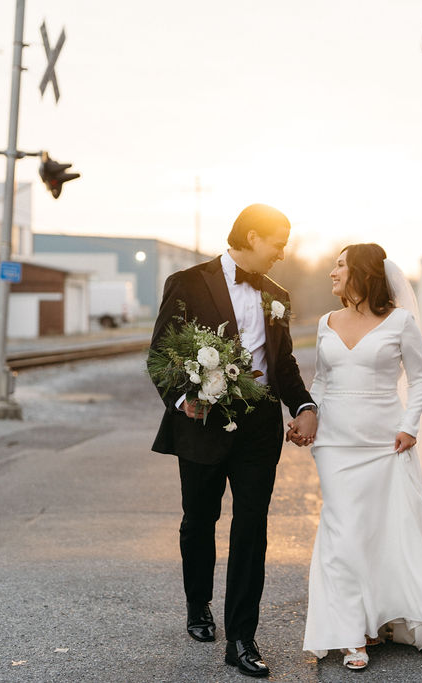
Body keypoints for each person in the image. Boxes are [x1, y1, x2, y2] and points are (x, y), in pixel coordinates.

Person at [148, 203, 318, 678]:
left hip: (259, 429)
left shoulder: (278, 295)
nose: (282, 253)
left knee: (251, 529)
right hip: (200, 423)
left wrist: (303, 406)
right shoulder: (186, 282)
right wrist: (184, 399)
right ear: (250, 236)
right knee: (199, 519)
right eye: (277, 243)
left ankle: (242, 636)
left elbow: (282, 365)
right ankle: (198, 605)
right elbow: (160, 352)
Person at [296, 243, 422, 671]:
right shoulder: (326, 322)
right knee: (342, 532)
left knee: (378, 532)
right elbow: (322, 380)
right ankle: (351, 634)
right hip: (334, 444)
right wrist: (307, 415)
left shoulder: (400, 322)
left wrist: (410, 426)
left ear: (362, 273)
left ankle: (376, 619)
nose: (332, 271)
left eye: (339, 265)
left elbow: (421, 378)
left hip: (386, 444)